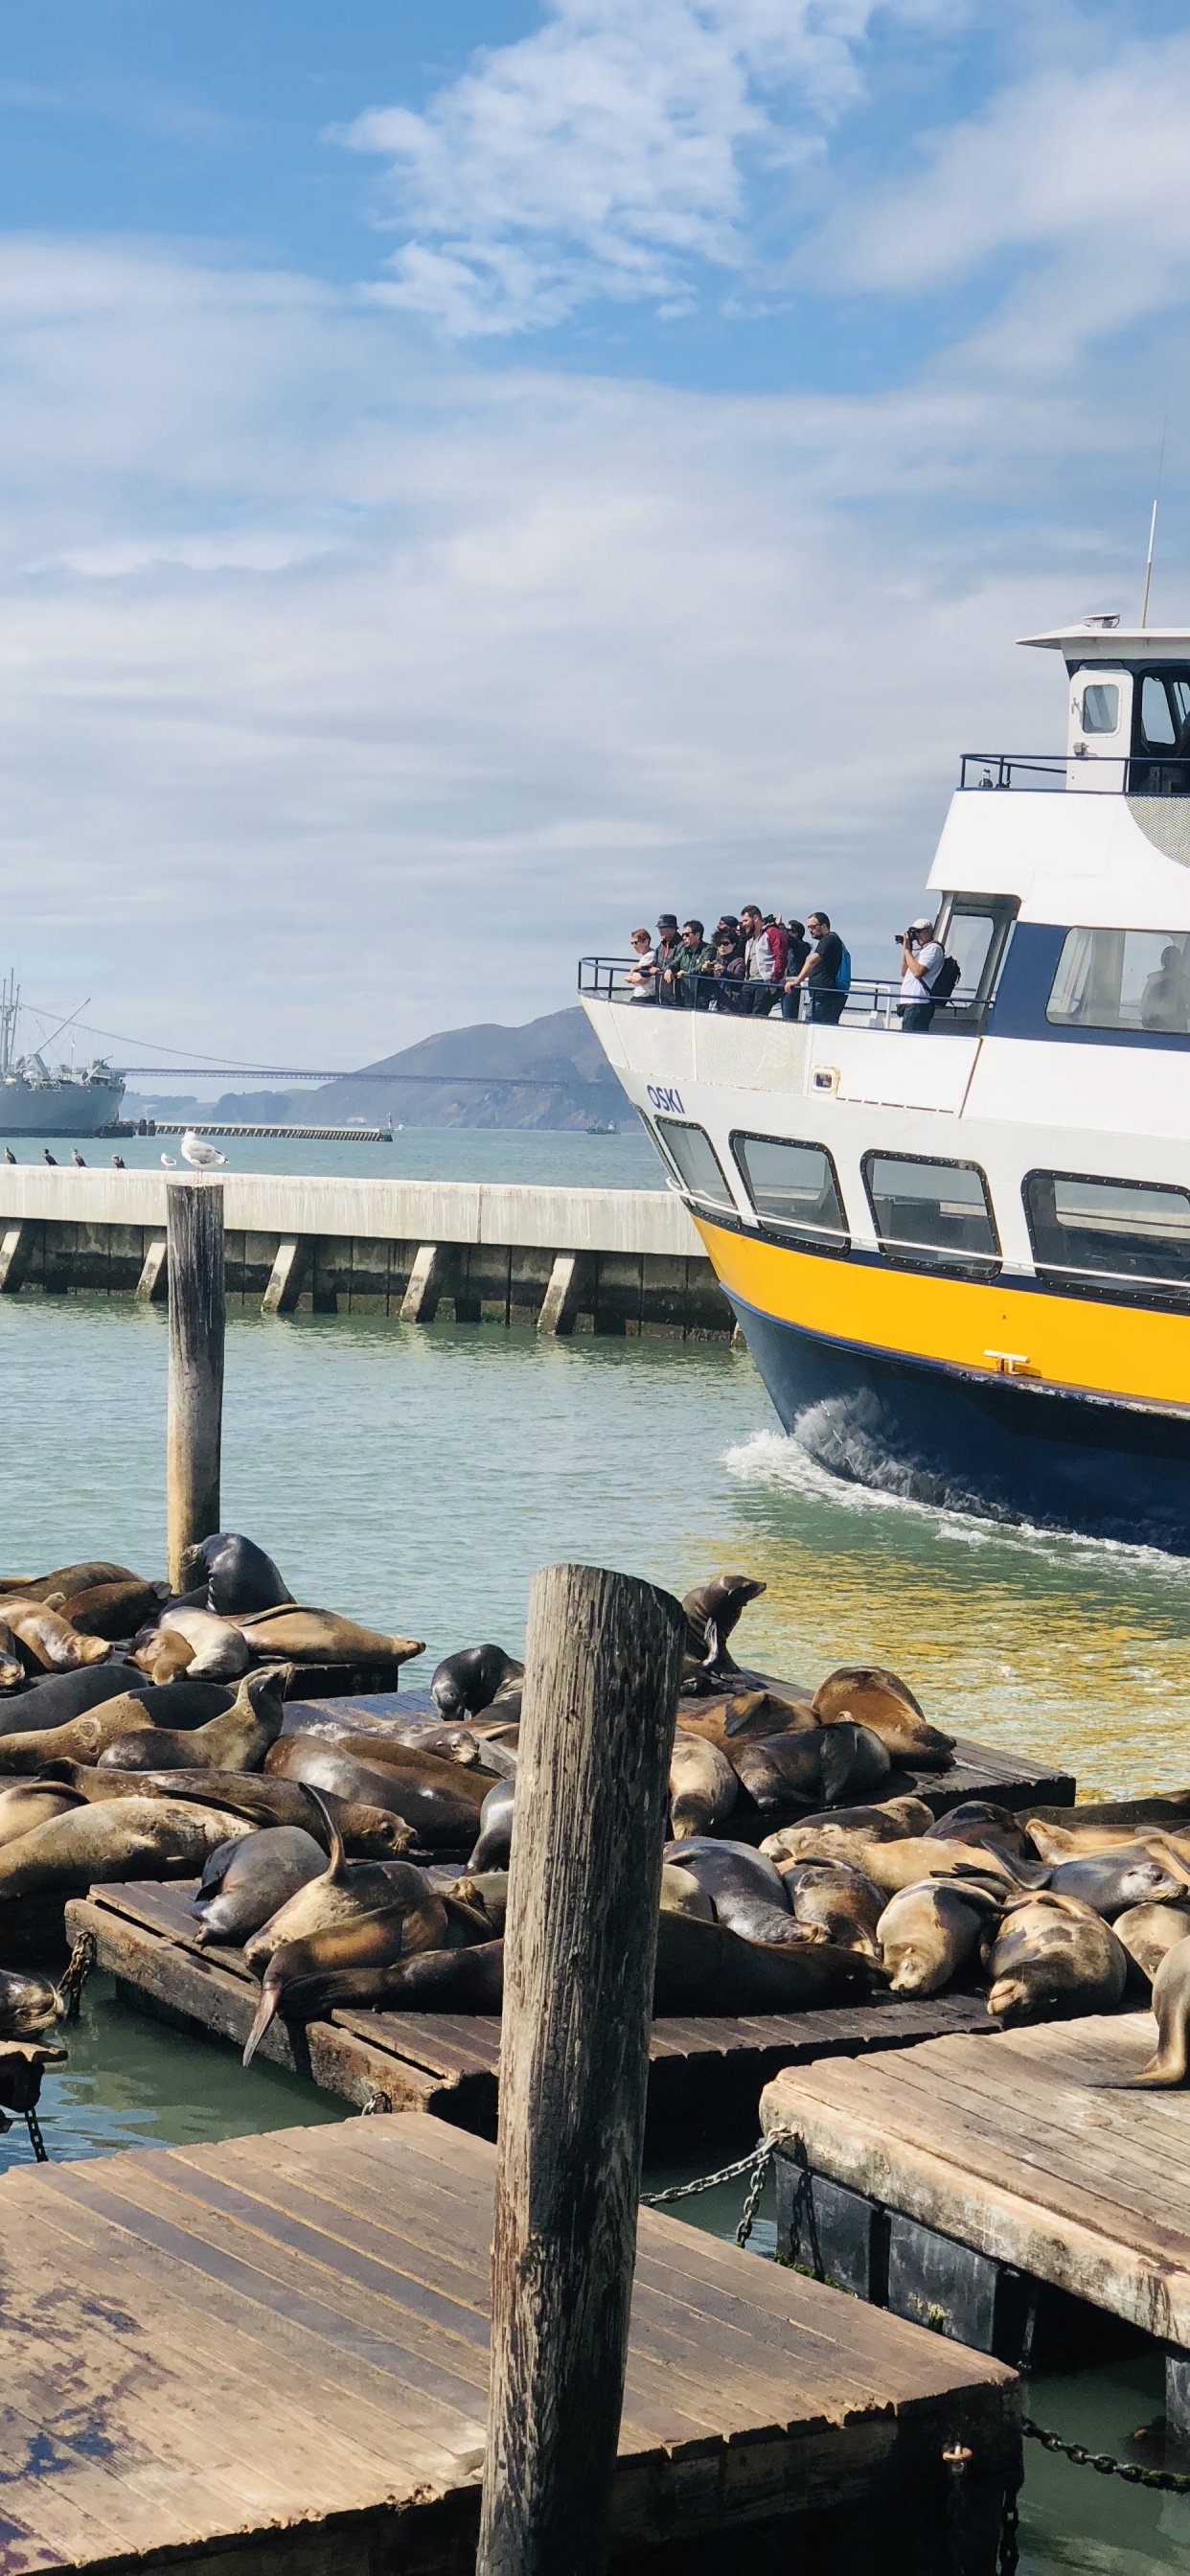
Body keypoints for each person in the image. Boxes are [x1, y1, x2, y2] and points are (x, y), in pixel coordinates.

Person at [788, 911, 849, 1024]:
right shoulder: (830, 940)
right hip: (824, 996)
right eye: (809, 927)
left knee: (812, 1027)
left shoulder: (829, 939)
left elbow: (812, 960)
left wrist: (797, 981)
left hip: (824, 997)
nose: (810, 930)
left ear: (824, 926)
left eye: (813, 927)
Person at [897, 913, 946, 1032]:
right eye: (914, 932)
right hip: (911, 1004)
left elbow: (918, 972)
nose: (917, 935)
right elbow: (904, 972)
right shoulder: (923, 951)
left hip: (919, 1004)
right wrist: (906, 949)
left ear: (929, 931)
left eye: (919, 931)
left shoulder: (933, 949)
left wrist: (908, 950)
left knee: (910, 1041)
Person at [739, 905, 788, 1015]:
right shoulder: (750, 938)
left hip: (765, 981)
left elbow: (780, 956)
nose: (743, 924)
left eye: (746, 920)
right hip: (749, 981)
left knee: (758, 1016)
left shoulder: (772, 933)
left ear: (755, 918)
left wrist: (774, 981)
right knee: (743, 1016)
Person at [1141, 943, 1190, 1033]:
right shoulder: (1153, 979)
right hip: (1155, 1029)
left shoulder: (1185, 983)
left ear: (1179, 961)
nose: (1171, 962)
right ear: (1163, 960)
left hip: (1178, 1031)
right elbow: (1144, 1009)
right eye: (1169, 959)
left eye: (1174, 959)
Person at [667, 918, 715, 1008]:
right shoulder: (684, 950)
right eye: (682, 935)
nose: (684, 937)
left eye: (687, 935)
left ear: (697, 935)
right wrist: (669, 969)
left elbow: (702, 965)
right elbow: (675, 962)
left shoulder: (708, 949)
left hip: (702, 997)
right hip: (685, 996)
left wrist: (688, 973)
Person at [707, 926, 746, 1010]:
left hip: (732, 1003)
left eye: (725, 944)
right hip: (717, 1002)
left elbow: (738, 979)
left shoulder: (739, 962)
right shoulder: (715, 961)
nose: (722, 947)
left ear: (733, 945)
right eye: (719, 944)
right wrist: (705, 970)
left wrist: (724, 971)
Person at [780, 919, 810, 1021]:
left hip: (794, 984)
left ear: (796, 933)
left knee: (790, 1018)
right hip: (785, 983)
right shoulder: (789, 947)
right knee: (785, 1016)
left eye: (789, 930)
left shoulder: (802, 946)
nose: (786, 933)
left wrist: (780, 926)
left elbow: (789, 940)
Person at [653, 913, 681, 1004]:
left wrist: (670, 969)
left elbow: (678, 964)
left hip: (676, 999)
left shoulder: (682, 946)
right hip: (661, 997)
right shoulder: (660, 947)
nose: (659, 930)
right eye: (659, 928)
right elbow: (654, 964)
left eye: (662, 927)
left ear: (672, 929)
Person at [625, 927, 656, 1001]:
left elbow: (642, 979)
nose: (634, 946)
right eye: (632, 943)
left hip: (644, 996)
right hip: (642, 995)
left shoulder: (650, 956)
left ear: (646, 942)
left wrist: (629, 977)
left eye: (636, 942)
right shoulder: (646, 956)